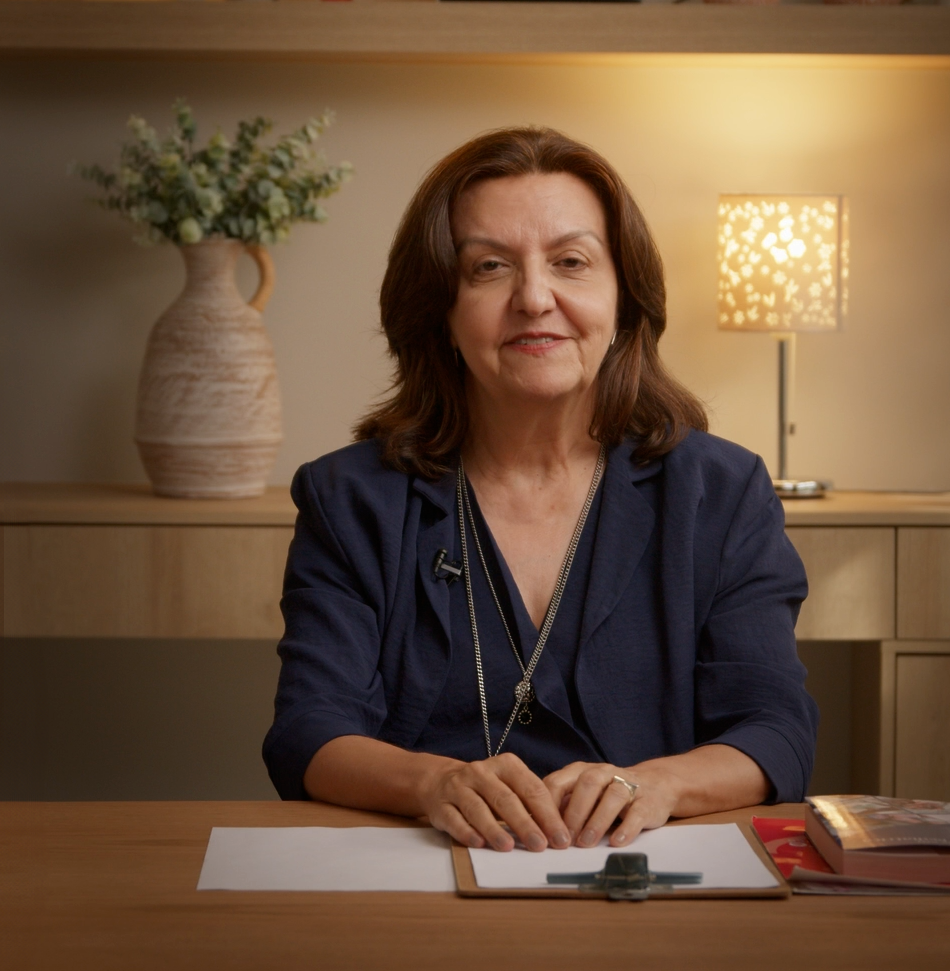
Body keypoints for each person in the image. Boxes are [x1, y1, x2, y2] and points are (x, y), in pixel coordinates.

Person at [262, 127, 817, 853]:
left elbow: (774, 730)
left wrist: (659, 786)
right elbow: (310, 731)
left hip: (646, 886)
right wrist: (432, 784)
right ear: (440, 311)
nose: (534, 297)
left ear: (624, 299)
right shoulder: (351, 497)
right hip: (421, 882)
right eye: (489, 267)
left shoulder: (721, 492)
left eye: (571, 262)